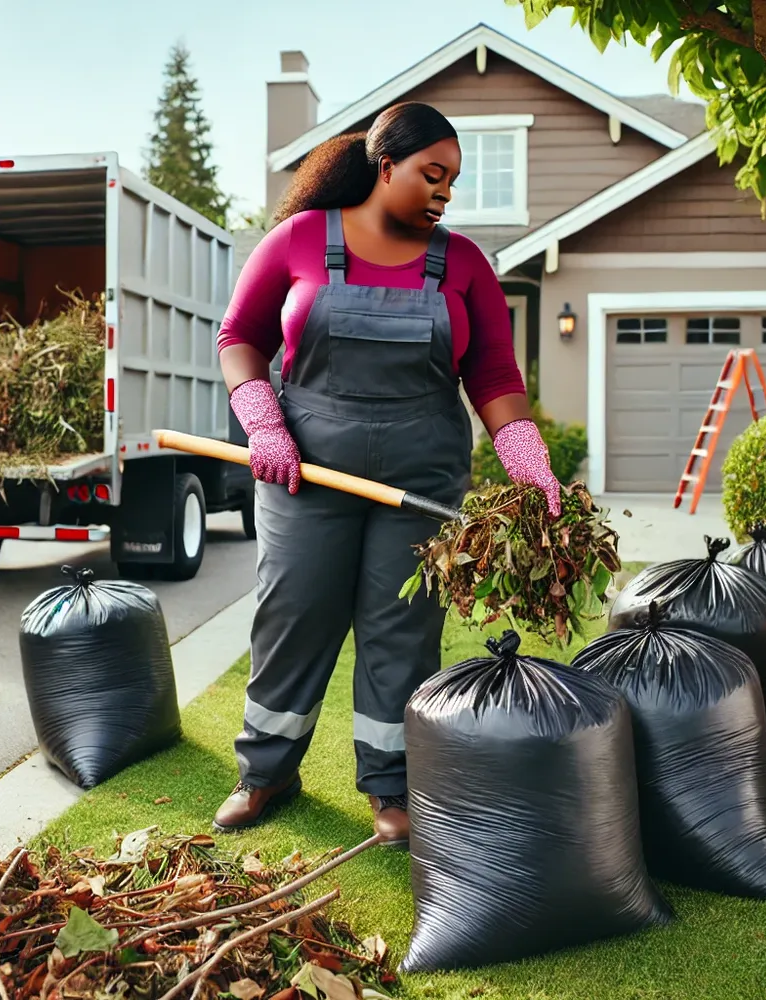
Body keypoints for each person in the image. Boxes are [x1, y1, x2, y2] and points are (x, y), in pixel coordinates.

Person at [213, 101, 561, 847]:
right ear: (384, 165)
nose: (444, 193)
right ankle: (265, 771)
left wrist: (528, 461)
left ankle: (391, 786)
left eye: (453, 182)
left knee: (401, 632)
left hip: (421, 478)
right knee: (293, 616)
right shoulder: (300, 240)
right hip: (305, 474)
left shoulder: (463, 263)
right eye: (432, 175)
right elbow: (239, 336)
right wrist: (263, 421)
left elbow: (494, 373)